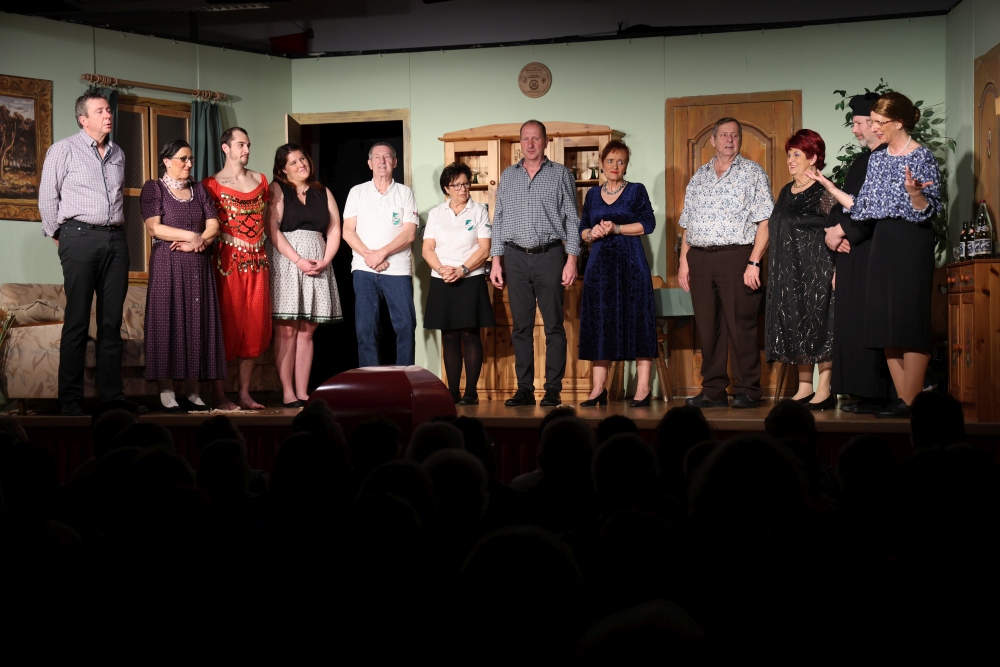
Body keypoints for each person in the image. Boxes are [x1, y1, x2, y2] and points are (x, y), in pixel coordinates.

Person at [809, 92, 941, 418]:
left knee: (909, 323)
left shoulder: (922, 156)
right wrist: (831, 188)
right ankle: (904, 400)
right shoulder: (878, 160)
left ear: (899, 122)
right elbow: (863, 207)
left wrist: (915, 195)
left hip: (912, 242)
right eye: (874, 122)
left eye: (881, 122)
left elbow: (929, 210)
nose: (876, 127)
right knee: (885, 326)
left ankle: (912, 402)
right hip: (883, 242)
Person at [38, 91, 128, 416]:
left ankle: (112, 398)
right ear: (83, 119)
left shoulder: (118, 153)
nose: (108, 114)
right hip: (79, 236)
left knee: (111, 323)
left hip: (116, 239)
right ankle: (71, 400)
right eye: (100, 111)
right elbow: (47, 198)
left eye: (108, 110)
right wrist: (61, 237)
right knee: (77, 320)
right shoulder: (63, 149)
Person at [678, 117, 774, 409]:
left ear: (740, 139)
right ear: (713, 140)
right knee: (708, 327)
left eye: (734, 135)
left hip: (737, 256)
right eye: (723, 135)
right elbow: (687, 223)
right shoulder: (699, 176)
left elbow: (765, 221)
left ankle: (747, 389)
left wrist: (754, 262)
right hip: (700, 257)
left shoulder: (753, 172)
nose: (729, 140)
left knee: (740, 325)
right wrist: (684, 262)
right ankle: (713, 390)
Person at [489, 120, 580, 408]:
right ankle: (525, 389)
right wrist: (496, 261)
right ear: (520, 142)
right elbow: (499, 220)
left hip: (550, 256)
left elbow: (573, 219)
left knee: (553, 326)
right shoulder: (508, 175)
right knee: (521, 328)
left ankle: (553, 388)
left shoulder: (561, 174)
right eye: (525, 139)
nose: (530, 144)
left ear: (545, 141)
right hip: (514, 258)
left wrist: (571, 259)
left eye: (536, 139)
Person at [140, 140, 226, 412]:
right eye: (183, 159)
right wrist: (191, 236)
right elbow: (155, 228)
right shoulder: (154, 188)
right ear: (167, 161)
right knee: (168, 322)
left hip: (197, 262)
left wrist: (197, 243)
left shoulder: (199, 190)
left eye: (190, 159)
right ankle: (167, 391)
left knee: (196, 322)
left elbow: (214, 226)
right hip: (167, 262)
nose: (189, 164)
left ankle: (193, 390)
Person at [822, 94, 892, 414]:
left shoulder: (886, 158)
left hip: (872, 253)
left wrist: (843, 231)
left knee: (870, 323)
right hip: (851, 255)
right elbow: (843, 204)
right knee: (852, 324)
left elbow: (873, 209)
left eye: (859, 123)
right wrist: (832, 233)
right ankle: (860, 393)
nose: (855, 130)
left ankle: (875, 395)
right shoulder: (862, 161)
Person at [577, 140, 657, 408]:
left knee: (638, 321)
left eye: (620, 161)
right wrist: (592, 233)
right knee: (600, 323)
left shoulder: (636, 190)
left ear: (626, 166)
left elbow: (648, 224)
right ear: (601, 164)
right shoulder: (592, 195)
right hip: (599, 269)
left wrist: (617, 229)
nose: (615, 166)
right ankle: (598, 389)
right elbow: (582, 230)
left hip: (631, 267)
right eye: (610, 161)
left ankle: (643, 388)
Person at [266, 144, 343, 409]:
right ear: (282, 170)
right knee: (287, 330)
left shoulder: (322, 191)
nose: (301, 164)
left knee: (307, 331)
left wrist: (326, 260)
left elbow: (334, 230)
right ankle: (287, 392)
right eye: (293, 162)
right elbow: (272, 229)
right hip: (288, 261)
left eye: (303, 159)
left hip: (318, 261)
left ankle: (302, 391)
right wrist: (297, 259)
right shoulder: (278, 189)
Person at [764, 130, 836, 411]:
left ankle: (825, 389)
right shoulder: (786, 191)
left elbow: (838, 230)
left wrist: (838, 270)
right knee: (797, 324)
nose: (790, 160)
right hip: (789, 271)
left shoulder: (824, 191)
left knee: (821, 326)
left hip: (817, 270)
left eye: (797, 154)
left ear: (813, 157)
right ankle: (805, 387)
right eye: (789, 155)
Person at [202, 127, 272, 410]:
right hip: (227, 262)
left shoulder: (260, 180)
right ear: (226, 148)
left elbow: (266, 220)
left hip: (258, 262)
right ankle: (219, 395)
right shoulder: (211, 184)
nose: (246, 150)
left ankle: (244, 393)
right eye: (241, 144)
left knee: (253, 325)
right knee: (225, 325)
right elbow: (207, 225)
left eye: (248, 145)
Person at [421, 162, 495, 405]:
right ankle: (452, 392)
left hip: (470, 278)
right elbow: (427, 248)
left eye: (466, 183)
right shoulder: (436, 213)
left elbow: (484, 249)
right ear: (446, 188)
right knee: (449, 335)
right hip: (442, 279)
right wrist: (441, 269)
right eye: (457, 185)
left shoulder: (479, 211)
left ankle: (471, 393)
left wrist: (462, 270)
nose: (463, 189)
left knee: (470, 334)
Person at [342, 142, 418, 367]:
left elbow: (409, 233)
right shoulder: (357, 192)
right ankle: (370, 380)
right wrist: (371, 256)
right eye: (377, 157)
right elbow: (347, 231)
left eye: (387, 157)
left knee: (406, 326)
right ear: (369, 163)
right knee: (365, 329)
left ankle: (405, 377)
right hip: (364, 269)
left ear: (395, 162)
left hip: (398, 270)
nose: (382, 161)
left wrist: (382, 254)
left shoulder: (405, 193)